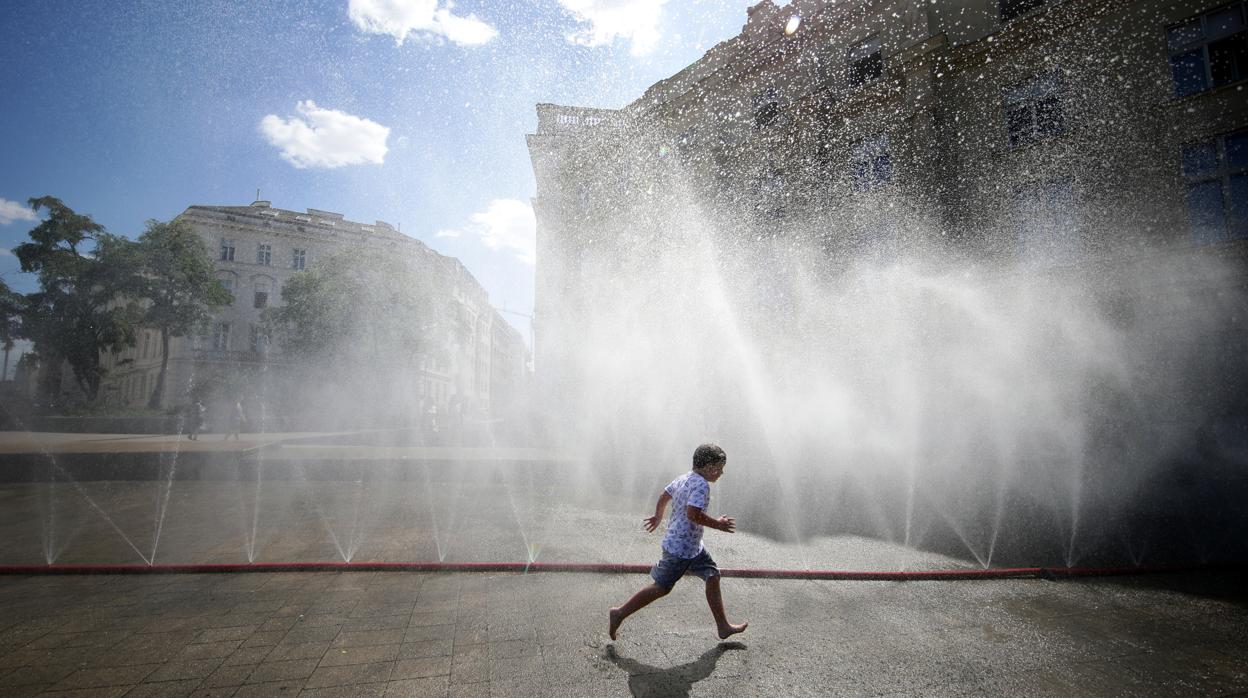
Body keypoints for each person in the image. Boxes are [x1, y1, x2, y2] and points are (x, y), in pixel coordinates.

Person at [609, 443, 748, 641]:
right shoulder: (701, 485)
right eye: (719, 468)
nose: (721, 473)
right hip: (681, 550)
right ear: (709, 467)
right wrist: (718, 524)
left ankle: (723, 626)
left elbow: (664, 495)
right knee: (661, 587)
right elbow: (693, 514)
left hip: (691, 547)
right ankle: (619, 613)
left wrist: (658, 516)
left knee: (712, 575)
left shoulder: (684, 478)